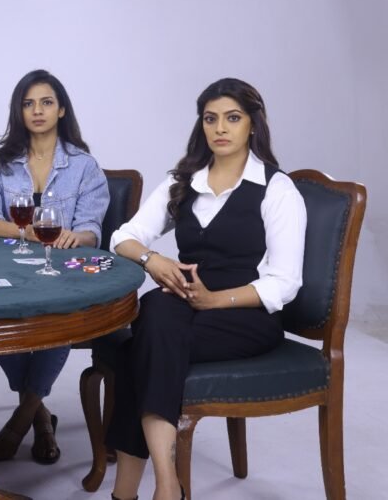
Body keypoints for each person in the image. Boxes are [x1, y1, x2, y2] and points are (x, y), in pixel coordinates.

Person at [106, 78, 306, 500]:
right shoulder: (184, 182)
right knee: (156, 310)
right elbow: (124, 236)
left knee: (135, 351)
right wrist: (153, 260)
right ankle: (167, 483)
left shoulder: (277, 189)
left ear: (252, 124)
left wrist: (214, 300)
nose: (220, 128)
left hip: (246, 315)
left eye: (232, 118)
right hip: (183, 309)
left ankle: (132, 492)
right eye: (210, 119)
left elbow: (285, 282)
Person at [0, 69, 109, 465]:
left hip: (62, 273)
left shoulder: (84, 166)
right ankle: (40, 414)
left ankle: (23, 420)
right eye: (28, 103)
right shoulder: (0, 163)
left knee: (59, 317)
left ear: (61, 109)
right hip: (10, 270)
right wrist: (25, 232)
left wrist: (75, 237)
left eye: (46, 102)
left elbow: (91, 230)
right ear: (19, 111)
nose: (37, 111)